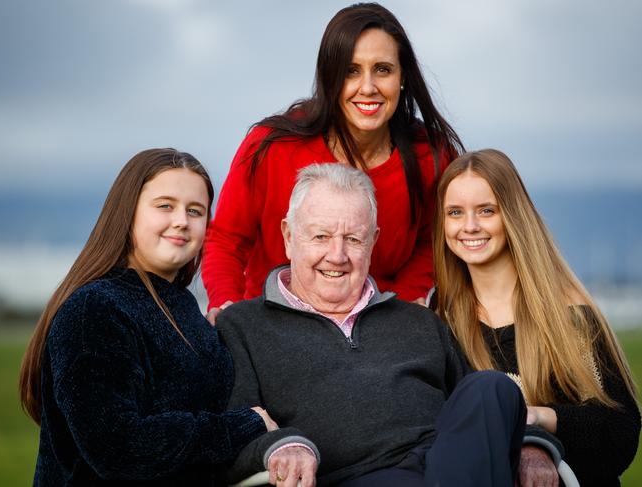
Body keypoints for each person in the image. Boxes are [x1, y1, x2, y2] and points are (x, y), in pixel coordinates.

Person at [216, 162, 545, 487]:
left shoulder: (419, 321)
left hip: (445, 464)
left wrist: (532, 446)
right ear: (289, 236)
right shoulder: (243, 326)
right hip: (356, 476)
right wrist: (282, 444)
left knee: (492, 387)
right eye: (321, 236)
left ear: (373, 241)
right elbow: (230, 436)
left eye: (353, 240)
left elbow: (481, 420)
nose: (337, 255)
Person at [19, 149, 279, 485]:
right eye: (165, 206)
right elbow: (119, 447)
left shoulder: (182, 306)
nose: (182, 220)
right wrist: (242, 426)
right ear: (127, 213)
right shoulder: (95, 310)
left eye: (195, 211)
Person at [203, 2, 464, 323]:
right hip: (272, 329)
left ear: (403, 77)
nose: (367, 87)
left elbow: (431, 244)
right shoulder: (271, 145)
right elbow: (227, 239)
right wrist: (228, 309)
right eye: (351, 71)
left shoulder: (431, 156)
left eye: (382, 69)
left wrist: (402, 311)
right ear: (330, 77)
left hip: (376, 330)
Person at [429, 149, 641, 487]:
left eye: (486, 211)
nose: (469, 226)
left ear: (512, 215)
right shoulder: (438, 322)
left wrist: (537, 418)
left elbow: (620, 434)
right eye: (455, 212)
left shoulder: (568, 313)